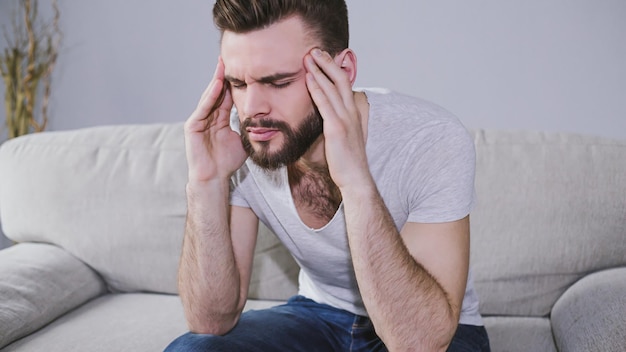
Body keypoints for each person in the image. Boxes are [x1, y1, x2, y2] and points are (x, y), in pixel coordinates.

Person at [165, 0, 490, 351]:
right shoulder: (241, 141)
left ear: (343, 70)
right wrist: (206, 182)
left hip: (426, 327)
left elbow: (419, 342)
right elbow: (211, 321)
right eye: (238, 84)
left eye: (278, 82)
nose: (252, 109)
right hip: (319, 315)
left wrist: (355, 180)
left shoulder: (430, 139)